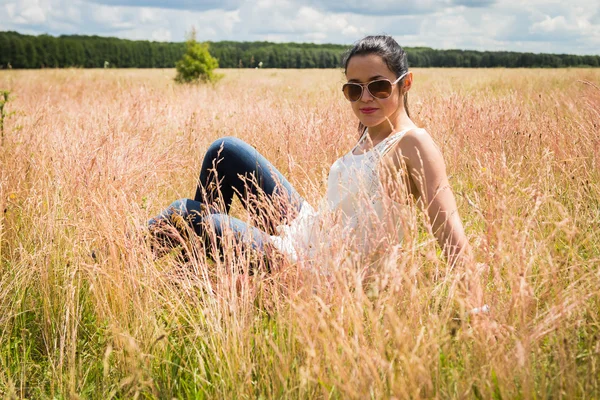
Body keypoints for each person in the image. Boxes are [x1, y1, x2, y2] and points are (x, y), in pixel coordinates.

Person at [148, 35, 473, 272]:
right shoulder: (371, 135)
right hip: (312, 232)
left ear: (406, 83)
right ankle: (195, 275)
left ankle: (110, 262)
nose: (365, 98)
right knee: (225, 150)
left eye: (379, 86)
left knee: (187, 213)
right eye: (353, 88)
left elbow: (450, 231)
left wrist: (478, 311)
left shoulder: (413, 143)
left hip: (324, 270)